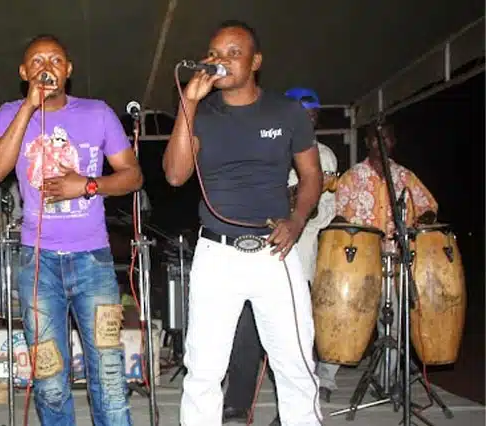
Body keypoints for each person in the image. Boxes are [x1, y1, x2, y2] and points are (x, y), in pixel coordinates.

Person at [163, 20, 323, 425]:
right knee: (203, 368)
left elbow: (312, 176)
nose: (222, 60)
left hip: (274, 251)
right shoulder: (201, 113)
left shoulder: (286, 111)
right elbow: (175, 175)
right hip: (216, 253)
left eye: (234, 53)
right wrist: (188, 103)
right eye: (215, 54)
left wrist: (297, 221)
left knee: (296, 364)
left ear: (256, 61)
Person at [0, 34, 143, 425]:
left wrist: (87, 185)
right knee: (49, 378)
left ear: (68, 69)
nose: (46, 67)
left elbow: (133, 176)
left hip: (93, 261)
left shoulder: (97, 112)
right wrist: (29, 107)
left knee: (108, 374)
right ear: (24, 72)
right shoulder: (9, 113)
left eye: (55, 59)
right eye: (37, 61)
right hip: (38, 264)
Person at [220, 88, 340, 425]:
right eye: (301, 113)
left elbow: (324, 212)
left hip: (300, 254)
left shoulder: (324, 157)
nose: (307, 120)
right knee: (246, 329)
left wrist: (302, 202)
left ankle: (289, 413)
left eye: (312, 115)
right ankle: (237, 403)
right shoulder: (264, 146)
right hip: (255, 252)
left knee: (294, 338)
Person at [320, 121, 439, 397]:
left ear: (393, 142)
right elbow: (335, 214)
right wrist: (342, 223)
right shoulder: (352, 177)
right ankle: (325, 380)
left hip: (395, 260)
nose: (380, 144)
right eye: (375, 139)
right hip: (358, 262)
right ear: (367, 143)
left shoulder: (405, 177)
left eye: (386, 138)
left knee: (393, 323)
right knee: (344, 317)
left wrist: (424, 218)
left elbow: (429, 206)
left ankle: (386, 380)